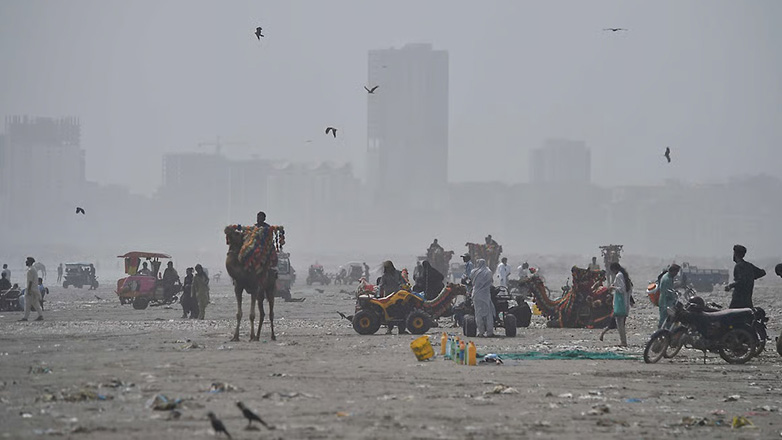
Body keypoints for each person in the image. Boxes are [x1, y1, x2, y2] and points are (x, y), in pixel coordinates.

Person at [725, 244, 766, 309]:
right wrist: (751, 276)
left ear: (735, 254)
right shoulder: (749, 265)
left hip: (738, 298)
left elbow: (741, 281)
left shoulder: (739, 266)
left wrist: (730, 286)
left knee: (731, 316)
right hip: (748, 297)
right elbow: (762, 272)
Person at [378, 261, 407, 334]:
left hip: (398, 295)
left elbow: (403, 282)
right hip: (388, 297)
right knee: (389, 314)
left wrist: (402, 285)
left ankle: (401, 330)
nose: (388, 269)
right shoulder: (384, 276)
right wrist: (379, 295)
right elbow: (381, 286)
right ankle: (389, 329)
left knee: (401, 313)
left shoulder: (397, 273)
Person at [607, 262, 632, 347]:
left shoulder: (619, 276)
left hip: (621, 304)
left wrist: (613, 288)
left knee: (620, 324)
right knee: (621, 324)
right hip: (624, 303)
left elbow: (621, 289)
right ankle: (623, 341)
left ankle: (623, 342)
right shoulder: (623, 276)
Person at [470, 259, 495, 337]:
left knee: (478, 313)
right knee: (488, 313)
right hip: (485, 295)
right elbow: (491, 281)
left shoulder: (474, 271)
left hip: (476, 294)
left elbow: (471, 281)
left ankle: (481, 332)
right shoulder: (488, 272)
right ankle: (489, 332)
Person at [21, 257, 43, 322]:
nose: (26, 262)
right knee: (35, 303)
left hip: (31, 289)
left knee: (27, 304)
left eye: (27, 261)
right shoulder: (33, 269)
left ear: (30, 262)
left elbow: (30, 281)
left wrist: (29, 290)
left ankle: (25, 317)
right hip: (34, 289)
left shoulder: (30, 270)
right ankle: (40, 315)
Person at [658, 264, 680, 328]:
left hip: (665, 300)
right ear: (673, 271)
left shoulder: (668, 277)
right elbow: (668, 292)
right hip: (665, 301)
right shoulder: (667, 279)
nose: (676, 274)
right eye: (676, 272)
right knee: (664, 319)